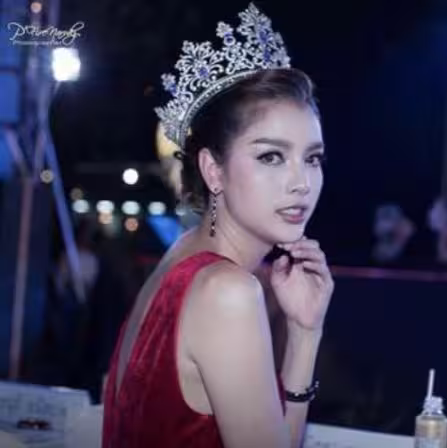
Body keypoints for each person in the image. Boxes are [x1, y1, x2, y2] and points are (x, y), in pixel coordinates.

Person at [102, 5, 334, 448]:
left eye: (313, 158)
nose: (302, 182)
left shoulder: (184, 256)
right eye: (271, 156)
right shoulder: (228, 292)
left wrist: (305, 333)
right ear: (213, 169)